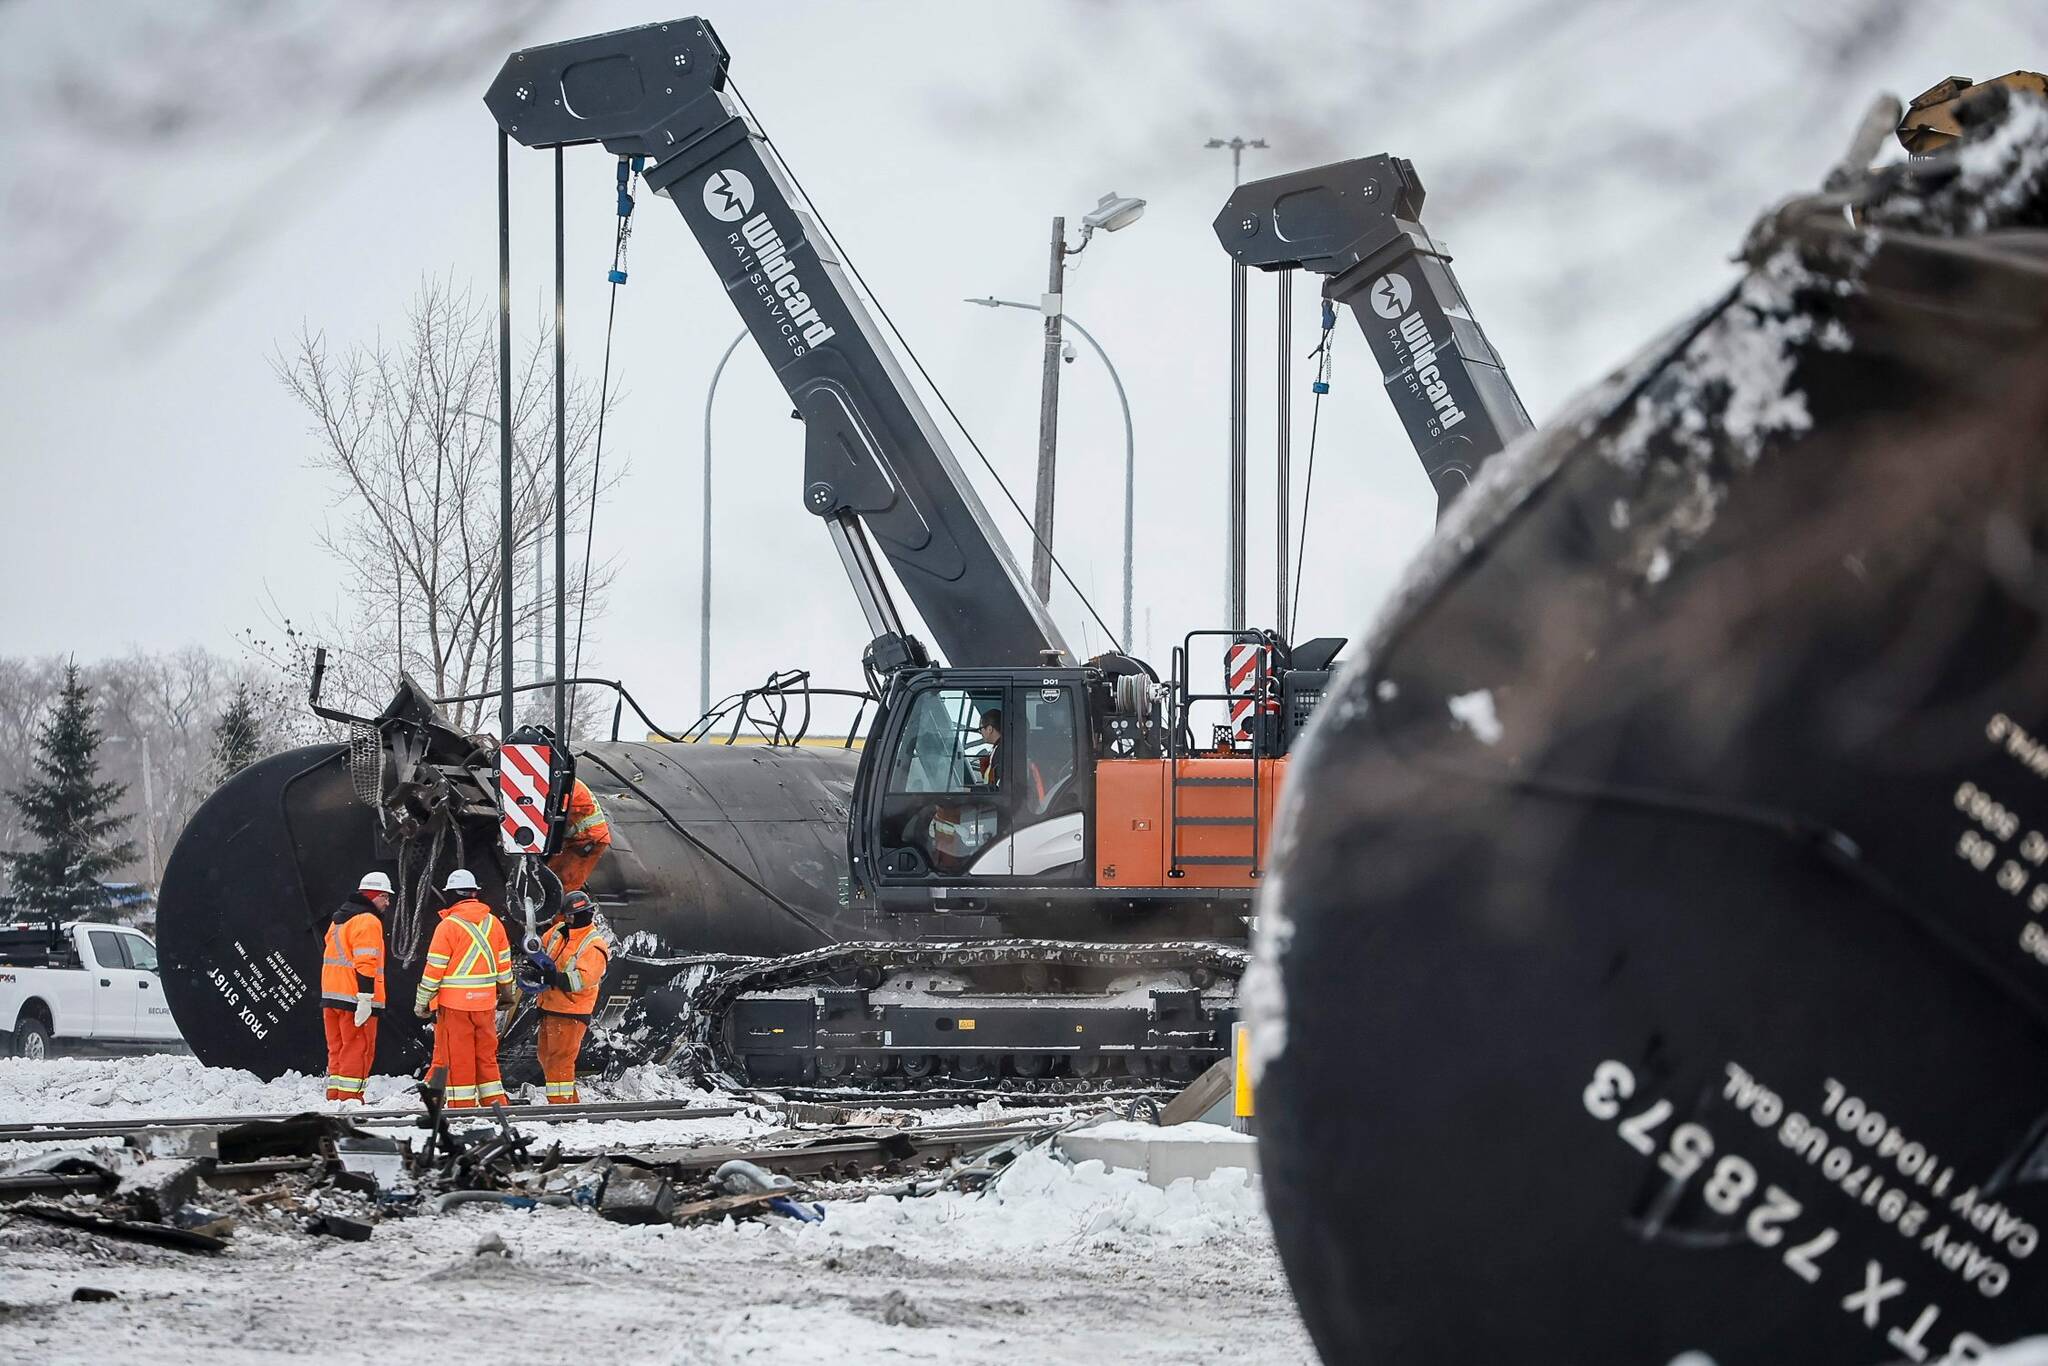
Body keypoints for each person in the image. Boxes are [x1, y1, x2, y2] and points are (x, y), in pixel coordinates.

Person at [413, 869, 514, 1109]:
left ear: (452, 895)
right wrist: (507, 996)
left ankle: (463, 1106)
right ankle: (494, 1102)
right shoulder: (494, 924)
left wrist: (422, 1003)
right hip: (485, 1005)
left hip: (455, 1007)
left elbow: (433, 971)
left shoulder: (448, 927)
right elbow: (504, 966)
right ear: (474, 894)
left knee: (460, 1059)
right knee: (486, 1056)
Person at [528, 890, 612, 1104]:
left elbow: (581, 981)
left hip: (571, 1011)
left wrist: (553, 977)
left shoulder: (593, 946)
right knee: (546, 1056)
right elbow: (542, 949)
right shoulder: (559, 932)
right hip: (550, 1006)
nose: (567, 919)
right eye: (566, 915)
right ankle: (568, 1103)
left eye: (570, 916)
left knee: (560, 1060)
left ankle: (561, 1106)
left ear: (583, 915)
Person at [319, 872, 390, 1103]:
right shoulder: (368, 921)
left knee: (337, 1050)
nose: (387, 903)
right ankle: (350, 1100)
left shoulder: (339, 920)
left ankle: (335, 1098)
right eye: (385, 897)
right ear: (374, 897)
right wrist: (365, 998)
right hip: (355, 999)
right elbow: (366, 962)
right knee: (357, 1050)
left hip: (332, 998)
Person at [546, 778, 612, 893]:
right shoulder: (563, 781)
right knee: (551, 875)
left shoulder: (562, 788)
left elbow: (552, 815)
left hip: (589, 840)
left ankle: (559, 909)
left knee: (565, 884)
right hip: (580, 838)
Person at [975, 709, 1003, 786]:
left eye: (980, 729)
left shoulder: (1001, 752)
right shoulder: (998, 748)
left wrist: (971, 790)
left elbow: (998, 787)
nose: (980, 733)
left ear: (989, 729)